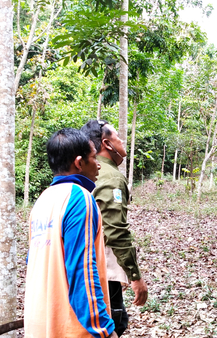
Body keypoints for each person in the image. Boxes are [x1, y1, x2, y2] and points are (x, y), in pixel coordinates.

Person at [24, 128, 118, 338]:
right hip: (70, 328)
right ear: (79, 162)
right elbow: (82, 271)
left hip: (39, 325)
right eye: (94, 158)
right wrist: (103, 329)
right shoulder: (79, 198)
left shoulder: (42, 201)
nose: (99, 164)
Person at [81, 120, 148, 336]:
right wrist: (134, 275)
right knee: (114, 324)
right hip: (100, 271)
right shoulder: (110, 177)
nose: (122, 141)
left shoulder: (86, 171)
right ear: (107, 143)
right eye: (118, 137)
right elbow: (115, 230)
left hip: (83, 268)